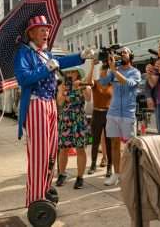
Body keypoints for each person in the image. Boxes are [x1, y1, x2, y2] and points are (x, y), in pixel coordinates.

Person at [14, 15, 89, 206]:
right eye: (42, 29)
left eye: (47, 29)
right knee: (39, 154)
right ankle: (35, 198)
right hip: (36, 103)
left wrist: (82, 56)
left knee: (50, 154)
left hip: (50, 104)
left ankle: (45, 189)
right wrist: (46, 68)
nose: (46, 32)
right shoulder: (23, 53)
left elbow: (61, 62)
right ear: (31, 33)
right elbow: (24, 79)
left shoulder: (45, 53)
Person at [99, 47, 141, 186]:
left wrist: (114, 71)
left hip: (128, 113)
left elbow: (128, 83)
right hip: (113, 113)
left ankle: (131, 173)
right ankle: (116, 174)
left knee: (130, 146)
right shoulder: (113, 70)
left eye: (125, 52)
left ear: (131, 55)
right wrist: (105, 66)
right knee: (114, 145)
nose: (122, 54)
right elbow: (103, 83)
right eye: (120, 53)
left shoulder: (135, 72)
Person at [56, 67, 91, 189]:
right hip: (66, 119)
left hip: (79, 119)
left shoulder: (82, 84)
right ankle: (61, 174)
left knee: (80, 149)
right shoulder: (62, 86)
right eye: (68, 72)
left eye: (72, 72)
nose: (70, 74)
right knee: (63, 148)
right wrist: (64, 92)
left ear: (78, 73)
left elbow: (88, 98)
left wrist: (81, 87)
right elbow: (60, 103)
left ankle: (80, 177)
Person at [86, 60, 113, 177]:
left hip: (108, 114)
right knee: (95, 141)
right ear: (100, 71)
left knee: (108, 142)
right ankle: (93, 164)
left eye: (106, 70)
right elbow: (88, 81)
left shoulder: (112, 84)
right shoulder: (96, 83)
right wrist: (92, 65)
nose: (104, 72)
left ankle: (109, 167)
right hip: (97, 113)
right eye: (103, 69)